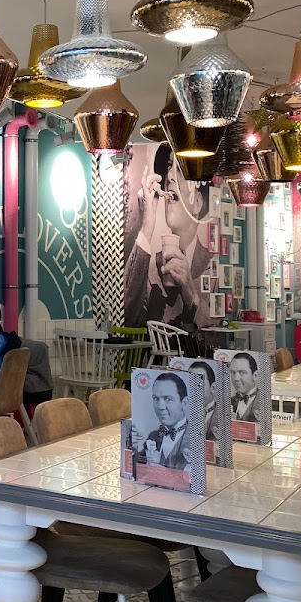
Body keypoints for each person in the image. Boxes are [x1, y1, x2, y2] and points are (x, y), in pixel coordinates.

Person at [123, 144, 211, 332]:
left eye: (180, 170)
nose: (169, 176)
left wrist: (190, 292)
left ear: (197, 203)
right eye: (169, 166)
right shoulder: (150, 266)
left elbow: (212, 334)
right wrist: (147, 225)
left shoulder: (211, 266)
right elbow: (126, 316)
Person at [131, 372, 192, 470]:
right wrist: (135, 448)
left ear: (184, 403)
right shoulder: (153, 436)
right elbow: (136, 472)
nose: (160, 407)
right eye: (156, 399)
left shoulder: (195, 439)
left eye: (168, 399)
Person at [189, 360, 224, 443]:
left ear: (213, 387)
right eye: (190, 384)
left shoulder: (224, 415)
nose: (193, 390)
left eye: (199, 385)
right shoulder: (181, 413)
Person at [229, 352, 260, 423]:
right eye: (233, 372)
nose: (236, 378)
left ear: (255, 375)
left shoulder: (264, 401)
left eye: (242, 373)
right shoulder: (229, 401)